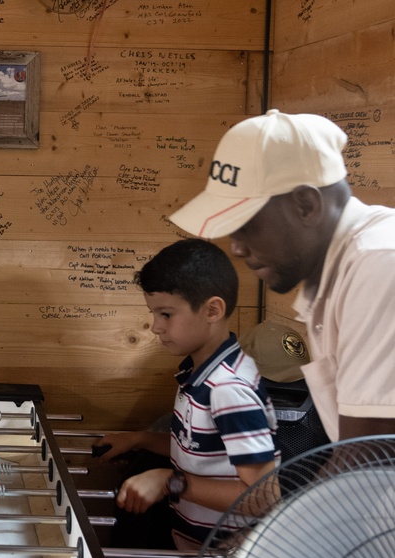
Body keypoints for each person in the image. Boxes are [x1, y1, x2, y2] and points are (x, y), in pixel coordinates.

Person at [94, 239, 279, 558]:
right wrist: (140, 440)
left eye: (166, 315)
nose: (156, 327)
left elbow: (266, 494)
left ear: (212, 310)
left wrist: (171, 482)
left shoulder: (229, 388)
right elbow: (201, 451)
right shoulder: (200, 373)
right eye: (153, 315)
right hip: (191, 552)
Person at [169, 109, 395, 442]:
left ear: (305, 205)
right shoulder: (340, 269)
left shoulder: (378, 266)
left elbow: (366, 461)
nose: (236, 248)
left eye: (247, 227)